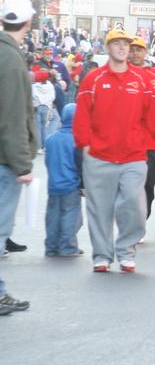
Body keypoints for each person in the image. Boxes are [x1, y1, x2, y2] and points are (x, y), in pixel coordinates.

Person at [74, 29, 155, 273]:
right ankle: (102, 256)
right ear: (107, 48)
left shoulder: (141, 80)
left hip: (133, 156)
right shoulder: (93, 79)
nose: (122, 48)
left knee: (136, 207)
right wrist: (84, 144)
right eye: (117, 43)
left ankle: (126, 251)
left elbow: (153, 113)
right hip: (99, 155)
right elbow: (83, 113)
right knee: (100, 210)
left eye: (126, 44)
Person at [0, 0, 40, 263]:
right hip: (5, 160)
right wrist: (23, 164)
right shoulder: (12, 60)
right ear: (28, 22)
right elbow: (12, 116)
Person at [128, 36, 155, 227]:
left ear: (146, 52)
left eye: (139, 49)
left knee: (149, 185)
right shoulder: (122, 74)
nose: (135, 53)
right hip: (129, 143)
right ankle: (132, 223)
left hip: (153, 143)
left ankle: (141, 219)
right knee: (129, 186)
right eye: (132, 49)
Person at [43, 104, 84, 257]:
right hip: (71, 184)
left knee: (53, 216)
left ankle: (51, 247)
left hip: (53, 185)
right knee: (71, 215)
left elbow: (48, 161)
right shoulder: (77, 140)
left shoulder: (51, 138)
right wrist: (83, 184)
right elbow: (80, 163)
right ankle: (67, 247)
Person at [31, 69, 56, 143]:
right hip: (46, 107)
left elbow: (33, 95)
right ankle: (44, 144)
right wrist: (47, 103)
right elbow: (53, 97)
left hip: (37, 106)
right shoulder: (50, 86)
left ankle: (38, 145)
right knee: (44, 126)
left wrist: (37, 102)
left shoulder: (34, 86)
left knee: (37, 126)